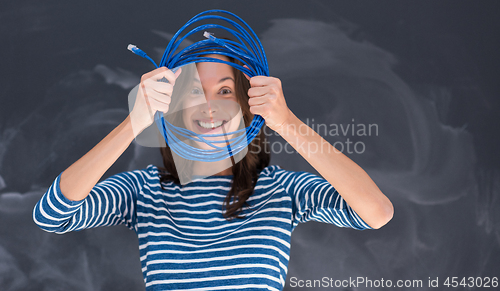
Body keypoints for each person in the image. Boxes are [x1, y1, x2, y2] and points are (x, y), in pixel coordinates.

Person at [33, 51, 394, 291]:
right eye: (194, 90)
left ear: (244, 106)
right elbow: (52, 214)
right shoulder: (143, 192)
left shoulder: (281, 190)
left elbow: (376, 213)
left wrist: (286, 122)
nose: (209, 104)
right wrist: (134, 122)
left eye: (224, 90)